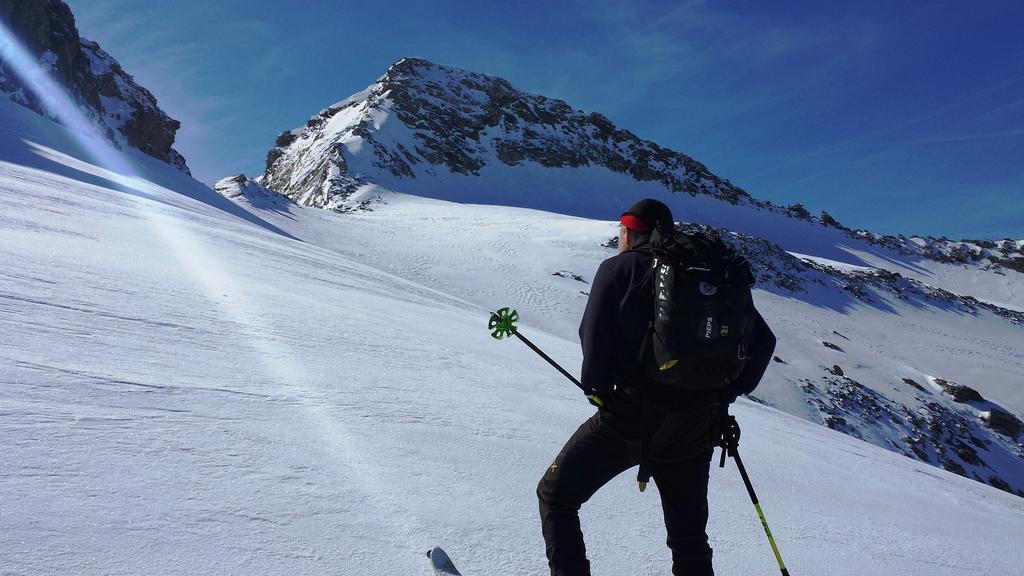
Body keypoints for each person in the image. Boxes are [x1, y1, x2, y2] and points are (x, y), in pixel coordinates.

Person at [537, 198, 776, 576]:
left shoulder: (620, 268)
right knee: (689, 538)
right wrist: (721, 398)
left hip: (632, 417)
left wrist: (599, 392)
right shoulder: (703, 275)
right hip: (698, 424)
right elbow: (763, 342)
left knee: (556, 496)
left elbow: (593, 339)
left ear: (630, 231)